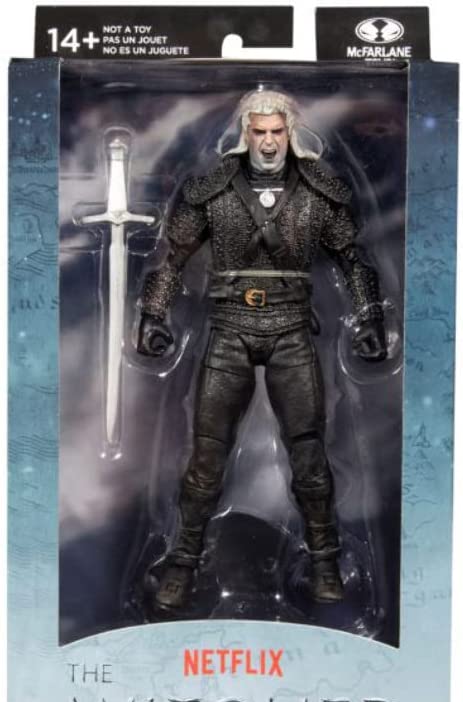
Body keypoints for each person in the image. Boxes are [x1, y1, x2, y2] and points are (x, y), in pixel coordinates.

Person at [137, 89, 387, 612]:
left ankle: (325, 564)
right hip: (229, 327)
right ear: (245, 133)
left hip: (292, 328)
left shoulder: (318, 190)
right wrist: (154, 314)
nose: (269, 142)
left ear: (289, 132)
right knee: (206, 459)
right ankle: (182, 563)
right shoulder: (212, 190)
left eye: (276, 131)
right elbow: (173, 257)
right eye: (259, 132)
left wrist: (369, 316)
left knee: (309, 456)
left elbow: (352, 258)